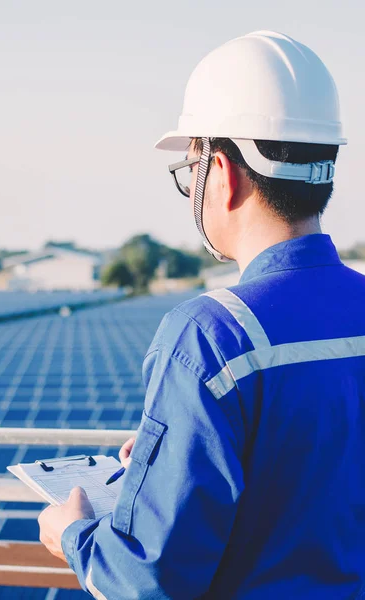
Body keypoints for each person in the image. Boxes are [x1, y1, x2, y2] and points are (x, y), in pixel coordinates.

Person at [38, 31, 365, 599]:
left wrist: (74, 535)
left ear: (224, 172)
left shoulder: (211, 336)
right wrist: (179, 461)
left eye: (190, 170)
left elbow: (148, 581)